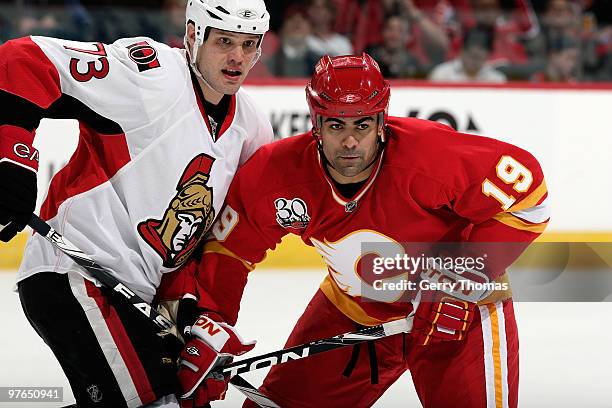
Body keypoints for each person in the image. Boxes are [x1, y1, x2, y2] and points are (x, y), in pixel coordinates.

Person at [158, 53, 550, 407]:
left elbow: (530, 195)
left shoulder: (429, 158)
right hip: (353, 308)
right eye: (335, 125)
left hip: (459, 314)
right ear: (316, 124)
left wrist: (460, 278)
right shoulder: (275, 174)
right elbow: (231, 252)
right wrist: (210, 328)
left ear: (381, 122)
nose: (349, 141)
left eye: (362, 124)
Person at [0, 0, 273, 406]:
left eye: (250, 44)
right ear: (195, 35)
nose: (238, 57)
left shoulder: (252, 128)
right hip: (75, 275)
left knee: (180, 399)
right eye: (225, 41)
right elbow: (23, 58)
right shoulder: (150, 75)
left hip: (140, 300)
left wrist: (195, 315)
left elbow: (213, 237)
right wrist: (11, 160)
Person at [429, 26, 507, 82]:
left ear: (487, 56)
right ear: (462, 51)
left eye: (478, 57)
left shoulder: (496, 79)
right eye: (472, 56)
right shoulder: (441, 74)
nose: (474, 61)